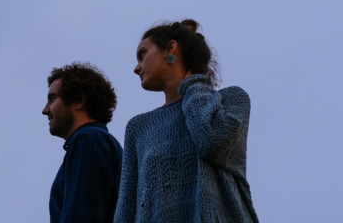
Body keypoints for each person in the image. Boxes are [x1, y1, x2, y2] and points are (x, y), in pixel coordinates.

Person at [114, 20, 259, 223]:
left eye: (142, 54)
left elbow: (212, 141)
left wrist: (194, 84)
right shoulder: (139, 128)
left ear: (171, 48)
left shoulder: (232, 100)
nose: (136, 68)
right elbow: (126, 208)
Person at [43, 62, 123, 223]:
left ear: (79, 100)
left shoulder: (88, 139)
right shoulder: (98, 141)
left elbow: (81, 215)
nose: (45, 110)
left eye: (52, 99)